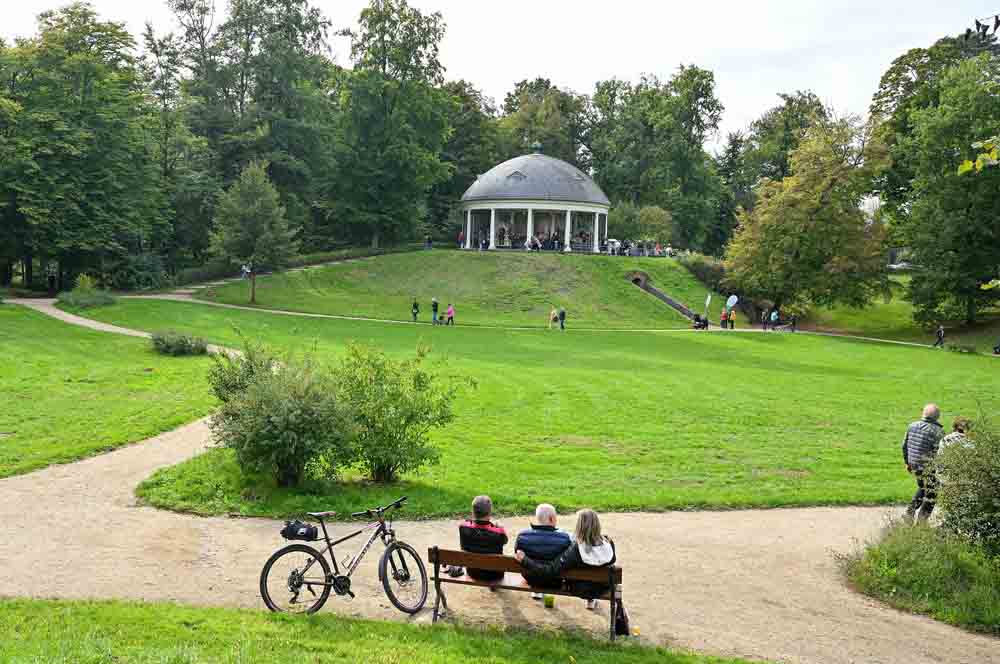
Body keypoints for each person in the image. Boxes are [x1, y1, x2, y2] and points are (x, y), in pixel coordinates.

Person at [516, 509, 616, 611]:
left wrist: (525, 560)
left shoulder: (576, 549)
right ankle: (591, 600)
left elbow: (550, 570)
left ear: (579, 526)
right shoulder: (609, 544)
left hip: (580, 589)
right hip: (603, 589)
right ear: (597, 525)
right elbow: (611, 561)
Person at [514, 504, 572, 598]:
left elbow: (518, 555)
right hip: (555, 581)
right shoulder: (565, 539)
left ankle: (537, 590)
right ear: (551, 518)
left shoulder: (522, 536)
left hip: (531, 579)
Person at [902, 403, 944, 522]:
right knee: (932, 493)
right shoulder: (938, 432)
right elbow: (939, 452)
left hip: (914, 464)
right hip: (928, 467)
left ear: (923, 414)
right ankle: (921, 521)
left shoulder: (912, 426)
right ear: (937, 417)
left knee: (922, 487)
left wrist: (907, 462)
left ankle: (909, 513)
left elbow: (904, 445)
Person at [458, 495, 508, 582]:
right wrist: (499, 527)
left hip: (473, 572)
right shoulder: (499, 532)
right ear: (489, 512)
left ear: (473, 512)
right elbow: (505, 541)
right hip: (495, 575)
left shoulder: (463, 528)